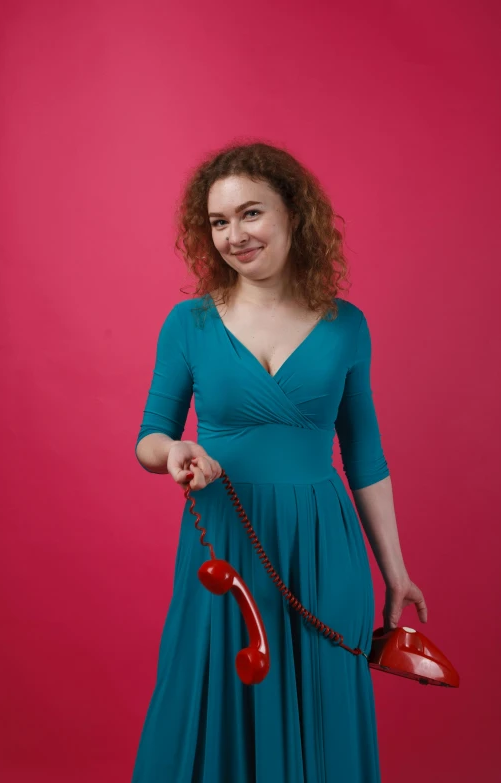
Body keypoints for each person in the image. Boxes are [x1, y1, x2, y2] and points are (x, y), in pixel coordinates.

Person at [131, 141, 427, 782]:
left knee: (320, 711)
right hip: (225, 549)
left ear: (295, 214)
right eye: (218, 222)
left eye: (250, 214)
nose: (233, 235)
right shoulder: (190, 324)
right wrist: (174, 451)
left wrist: (395, 573)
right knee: (214, 697)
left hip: (323, 549)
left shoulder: (348, 326)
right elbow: (150, 437)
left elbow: (365, 455)